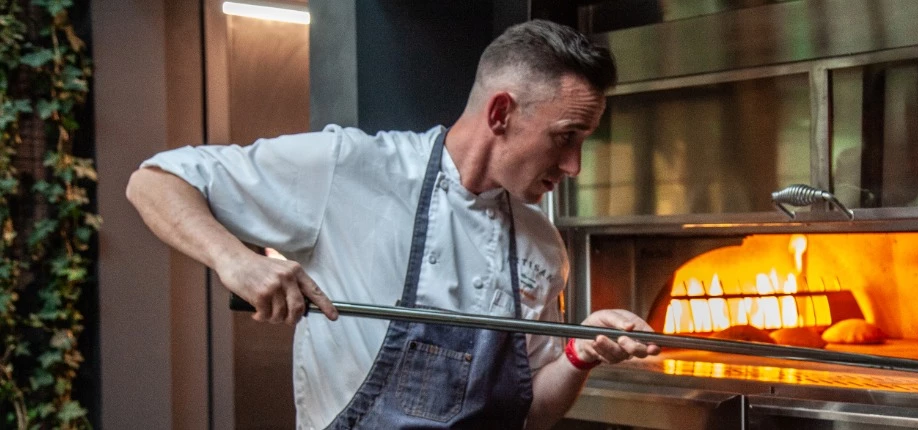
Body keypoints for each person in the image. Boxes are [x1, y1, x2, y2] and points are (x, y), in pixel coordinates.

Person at [126, 20, 660, 429]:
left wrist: (579, 351)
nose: (574, 167)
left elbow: (531, 413)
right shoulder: (351, 169)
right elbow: (155, 181)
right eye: (566, 136)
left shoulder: (542, 246)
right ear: (500, 114)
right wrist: (235, 261)